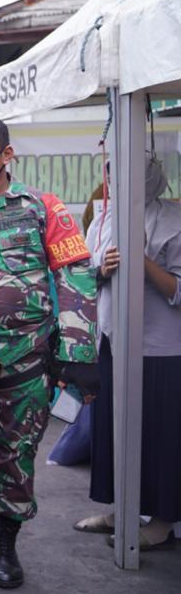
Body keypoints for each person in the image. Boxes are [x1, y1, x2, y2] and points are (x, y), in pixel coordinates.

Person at [0, 116, 98, 592]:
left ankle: (5, 546)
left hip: (28, 361)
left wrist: (77, 354)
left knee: (17, 456)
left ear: (6, 155)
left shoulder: (42, 208)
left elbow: (75, 275)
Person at [80, 155, 181, 550]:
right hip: (112, 341)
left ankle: (161, 519)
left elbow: (178, 290)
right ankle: (121, 509)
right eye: (110, 169)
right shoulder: (104, 217)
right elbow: (86, 274)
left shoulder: (173, 220)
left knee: (159, 434)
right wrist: (102, 269)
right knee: (112, 428)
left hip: (160, 349)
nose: (115, 177)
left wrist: (141, 262)